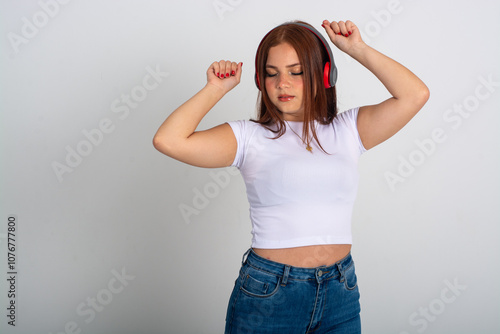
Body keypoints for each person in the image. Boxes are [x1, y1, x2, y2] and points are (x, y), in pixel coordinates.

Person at [153, 19, 429, 334]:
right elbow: (168, 140)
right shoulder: (248, 137)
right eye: (272, 74)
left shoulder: (348, 130)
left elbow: (415, 95)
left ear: (324, 75)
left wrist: (357, 48)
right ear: (261, 80)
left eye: (296, 72)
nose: (283, 83)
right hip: (270, 294)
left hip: (340, 291)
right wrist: (215, 89)